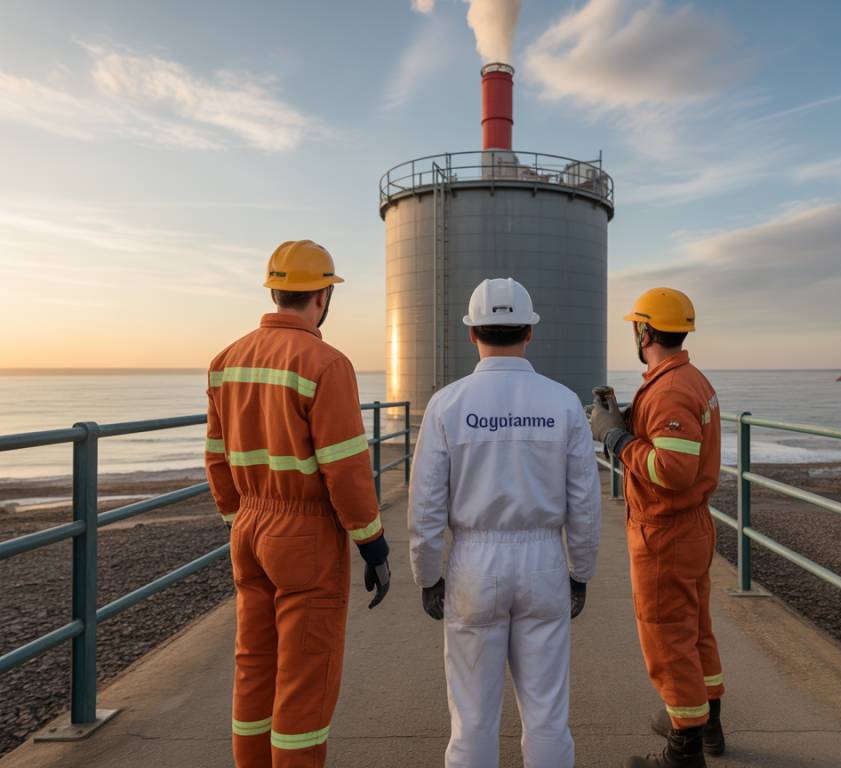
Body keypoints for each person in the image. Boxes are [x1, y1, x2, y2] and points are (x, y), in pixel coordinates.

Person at [204, 240, 391, 768]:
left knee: (254, 666)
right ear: (323, 296)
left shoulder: (226, 361)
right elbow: (346, 467)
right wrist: (371, 542)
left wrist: (236, 519)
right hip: (304, 534)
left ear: (275, 290)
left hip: (249, 527)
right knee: (306, 677)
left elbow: (216, 457)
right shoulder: (326, 363)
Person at [408, 277, 602, 768]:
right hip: (543, 561)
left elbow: (426, 505)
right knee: (546, 713)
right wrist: (580, 571)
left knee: (472, 718)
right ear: (529, 333)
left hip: (474, 563)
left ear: (472, 332)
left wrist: (428, 575)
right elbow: (584, 500)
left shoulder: (447, 405)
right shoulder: (561, 403)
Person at [590, 287, 724, 768]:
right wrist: (625, 416)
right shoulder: (684, 379)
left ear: (644, 331)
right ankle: (708, 724)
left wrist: (615, 436)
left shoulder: (669, 389)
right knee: (695, 629)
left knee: (668, 638)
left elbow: (672, 470)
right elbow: (674, 442)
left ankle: (682, 750)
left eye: (635, 326)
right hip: (689, 528)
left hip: (666, 530)